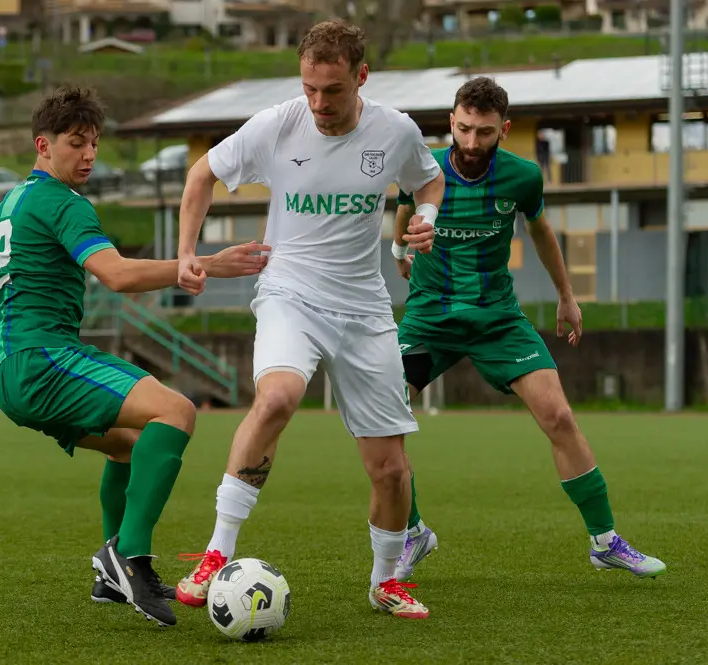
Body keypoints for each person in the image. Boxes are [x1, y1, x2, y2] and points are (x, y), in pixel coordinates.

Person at [0, 85, 270, 628]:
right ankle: (129, 557)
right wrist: (196, 264)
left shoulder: (11, 201)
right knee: (177, 411)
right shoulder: (62, 203)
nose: (87, 155)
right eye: (75, 142)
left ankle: (111, 576)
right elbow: (118, 274)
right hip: (44, 358)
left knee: (129, 444)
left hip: (10, 371)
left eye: (94, 143)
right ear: (44, 144)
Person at [173, 18, 445, 620]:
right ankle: (218, 553)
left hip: (365, 308)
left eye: (334, 91)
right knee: (277, 399)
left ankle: (386, 581)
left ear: (362, 78)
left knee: (391, 470)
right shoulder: (278, 124)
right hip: (289, 293)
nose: (319, 104)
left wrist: (425, 215)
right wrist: (189, 254)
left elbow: (430, 179)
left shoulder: (394, 131)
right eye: (310, 89)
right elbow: (201, 175)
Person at [392, 76, 667, 582]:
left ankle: (605, 541)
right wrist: (399, 251)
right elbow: (404, 208)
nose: (472, 143)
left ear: (505, 130)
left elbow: (541, 231)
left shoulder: (522, 177)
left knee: (559, 416)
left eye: (485, 133)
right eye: (465, 129)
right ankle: (413, 533)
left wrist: (567, 294)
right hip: (430, 316)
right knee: (385, 420)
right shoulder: (421, 165)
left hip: (498, 318)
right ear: (451, 121)